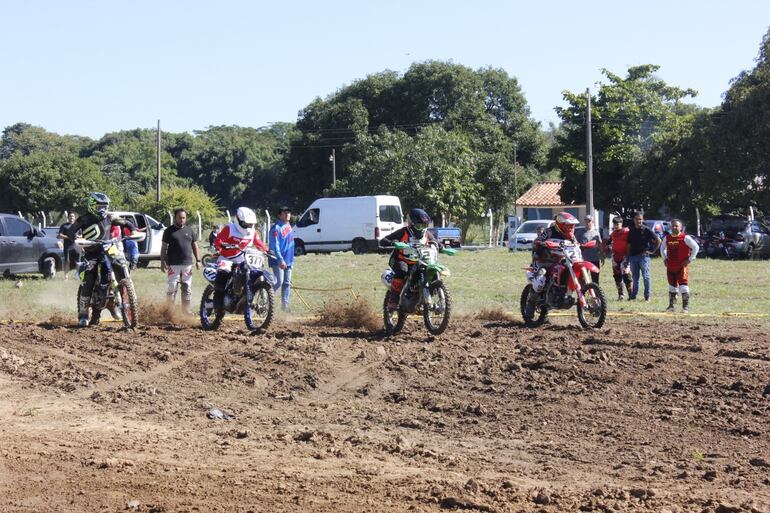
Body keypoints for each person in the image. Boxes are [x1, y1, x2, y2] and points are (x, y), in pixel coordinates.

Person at [65, 192, 138, 327]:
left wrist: (133, 230)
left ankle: (124, 300)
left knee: (116, 270)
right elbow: (71, 231)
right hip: (91, 253)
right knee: (89, 280)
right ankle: (83, 314)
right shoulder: (84, 219)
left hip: (108, 252)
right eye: (99, 207)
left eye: (104, 206)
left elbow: (125, 222)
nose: (102, 210)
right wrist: (76, 239)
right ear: (92, 206)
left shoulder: (109, 218)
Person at [212, 207, 270, 312]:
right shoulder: (230, 228)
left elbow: (258, 243)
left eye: (251, 224)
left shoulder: (253, 232)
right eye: (246, 224)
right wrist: (222, 245)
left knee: (253, 271)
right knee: (223, 270)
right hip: (227, 258)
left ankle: (243, 294)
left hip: (243, 259)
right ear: (238, 220)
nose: (249, 226)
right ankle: (217, 299)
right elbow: (218, 240)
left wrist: (267, 250)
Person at [379, 208, 438, 310]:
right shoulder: (403, 232)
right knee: (402, 270)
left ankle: (426, 298)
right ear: (411, 223)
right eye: (419, 226)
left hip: (420, 262)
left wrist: (443, 247)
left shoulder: (427, 234)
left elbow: (435, 242)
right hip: (400, 260)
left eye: (425, 226)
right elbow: (383, 241)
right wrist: (394, 242)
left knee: (433, 272)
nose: (422, 228)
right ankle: (394, 300)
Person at [160, 209, 201, 314]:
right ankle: (169, 310)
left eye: (183, 218)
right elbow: (164, 247)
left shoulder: (190, 231)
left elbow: (195, 246)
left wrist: (198, 260)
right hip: (173, 264)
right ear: (175, 218)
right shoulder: (168, 231)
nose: (182, 220)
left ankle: (186, 310)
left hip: (187, 264)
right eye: (180, 217)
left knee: (187, 287)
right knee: (172, 286)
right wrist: (162, 261)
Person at [529, 212, 579, 292]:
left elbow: (576, 244)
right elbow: (537, 241)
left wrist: (582, 246)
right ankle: (531, 301)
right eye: (567, 226)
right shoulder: (549, 231)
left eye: (571, 226)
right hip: (544, 260)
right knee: (539, 282)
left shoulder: (571, 235)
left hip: (560, 260)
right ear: (561, 224)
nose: (569, 228)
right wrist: (543, 243)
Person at [660, 219, 700, 313]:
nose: (674, 227)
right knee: (672, 286)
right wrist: (664, 259)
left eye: (676, 226)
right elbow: (662, 248)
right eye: (673, 226)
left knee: (683, 286)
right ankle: (671, 306)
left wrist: (689, 259)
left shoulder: (685, 238)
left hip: (681, 266)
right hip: (670, 266)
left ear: (681, 227)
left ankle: (685, 307)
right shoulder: (667, 238)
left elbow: (696, 247)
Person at [627, 211, 661, 301]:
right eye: (637, 219)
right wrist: (627, 257)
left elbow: (658, 240)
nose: (639, 221)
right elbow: (629, 244)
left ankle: (647, 296)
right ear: (634, 220)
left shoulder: (646, 229)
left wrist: (653, 251)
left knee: (646, 277)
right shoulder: (631, 230)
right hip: (633, 257)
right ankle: (633, 296)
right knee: (635, 277)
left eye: (641, 219)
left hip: (643, 256)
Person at [269, 206, 295, 312]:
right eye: (285, 213)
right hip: (277, 259)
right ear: (279, 215)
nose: (288, 214)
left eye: (289, 212)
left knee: (287, 282)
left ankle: (285, 305)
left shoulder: (289, 226)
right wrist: (280, 259)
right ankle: (265, 299)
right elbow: (275, 246)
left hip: (289, 259)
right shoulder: (276, 228)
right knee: (279, 281)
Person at [608, 216, 632, 300]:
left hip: (625, 257)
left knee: (626, 276)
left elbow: (631, 242)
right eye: (614, 224)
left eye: (617, 224)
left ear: (621, 224)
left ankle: (631, 294)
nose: (616, 225)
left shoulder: (627, 231)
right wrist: (608, 247)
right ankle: (621, 294)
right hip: (615, 257)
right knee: (617, 276)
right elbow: (608, 242)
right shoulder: (613, 233)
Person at [579, 214, 604, 283]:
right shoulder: (580, 232)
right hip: (584, 259)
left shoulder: (596, 232)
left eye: (589, 221)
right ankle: (583, 292)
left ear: (592, 222)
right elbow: (575, 243)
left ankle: (596, 292)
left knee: (595, 278)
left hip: (595, 259)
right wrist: (581, 246)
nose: (587, 223)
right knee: (583, 278)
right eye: (586, 221)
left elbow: (600, 244)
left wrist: (602, 255)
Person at [58, 212, 82, 279]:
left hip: (77, 247)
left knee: (78, 262)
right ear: (68, 218)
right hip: (68, 247)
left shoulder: (78, 226)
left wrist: (77, 236)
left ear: (75, 218)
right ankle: (66, 276)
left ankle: (78, 276)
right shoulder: (64, 226)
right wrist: (69, 237)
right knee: (67, 261)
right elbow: (60, 235)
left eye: (73, 216)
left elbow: (81, 235)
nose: (71, 218)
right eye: (70, 216)